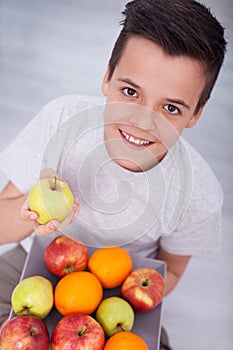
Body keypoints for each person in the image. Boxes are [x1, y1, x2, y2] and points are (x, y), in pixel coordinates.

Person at [0, 0, 227, 348]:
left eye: (170, 108)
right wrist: (28, 218)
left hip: (119, 292)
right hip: (32, 264)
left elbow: (174, 270)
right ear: (107, 77)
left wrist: (126, 296)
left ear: (195, 113)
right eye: (130, 92)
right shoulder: (61, 121)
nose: (142, 121)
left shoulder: (199, 193)